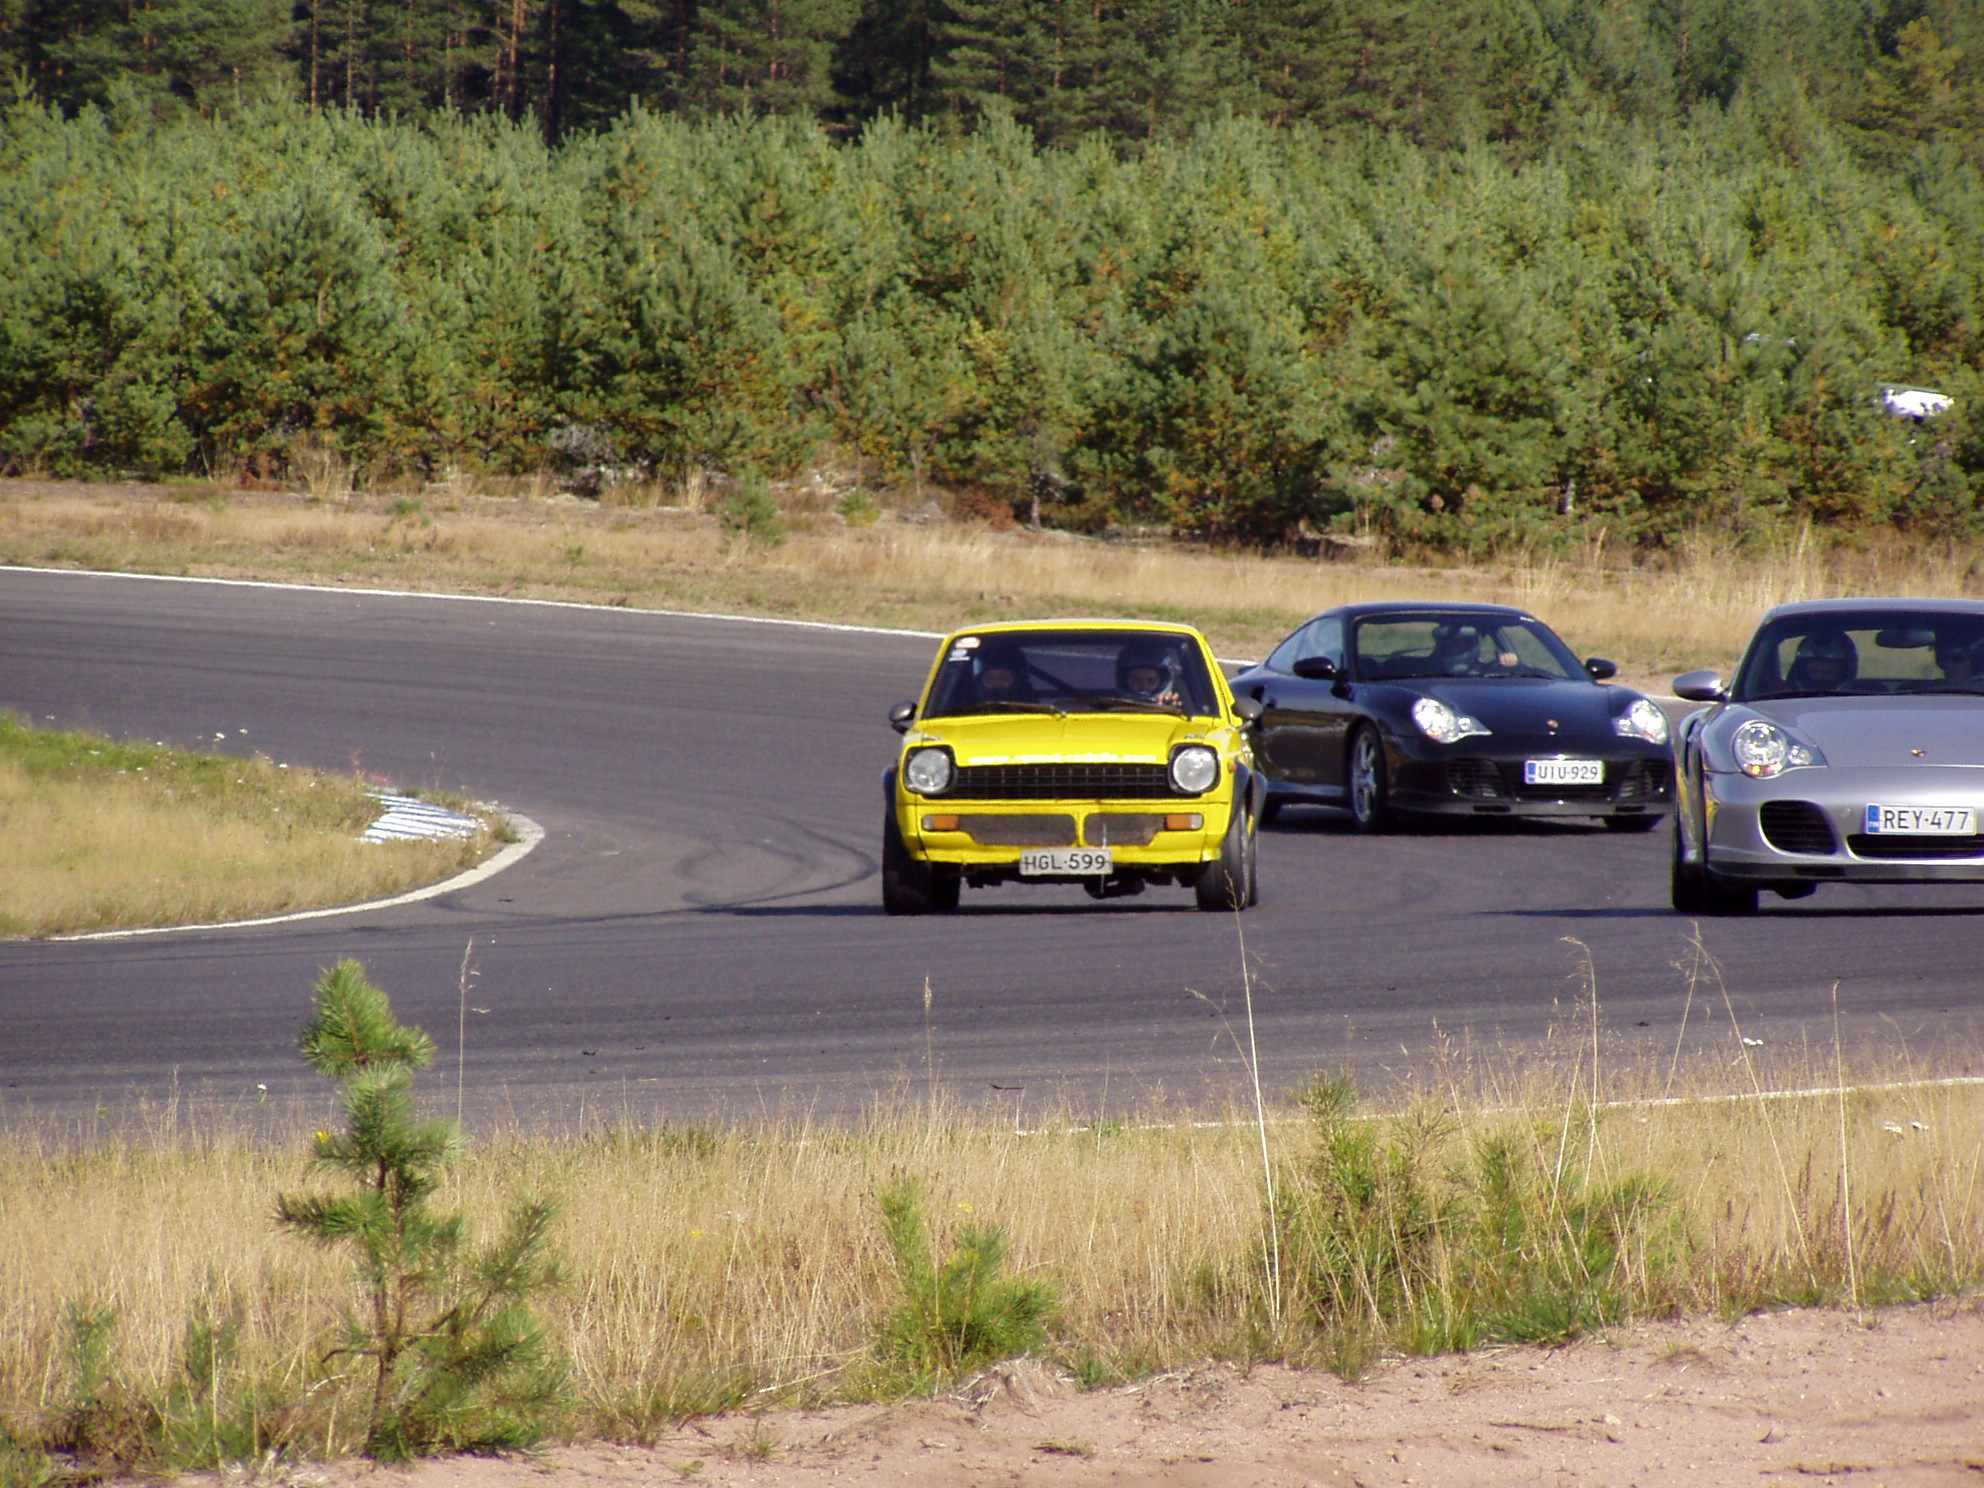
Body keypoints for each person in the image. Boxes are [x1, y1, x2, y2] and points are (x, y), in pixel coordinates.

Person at [1784, 631, 1857, 693]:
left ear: (1844, 674)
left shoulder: (1860, 703)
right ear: (1802, 673)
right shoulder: (1781, 700)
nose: (1820, 677)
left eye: (1828, 673)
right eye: (1814, 672)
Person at [1116, 642, 1184, 707]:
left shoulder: (1172, 706)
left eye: (1151, 680)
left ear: (1163, 682)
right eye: (1136, 680)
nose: (1143, 686)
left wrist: (1171, 709)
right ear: (1123, 680)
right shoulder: (1107, 707)